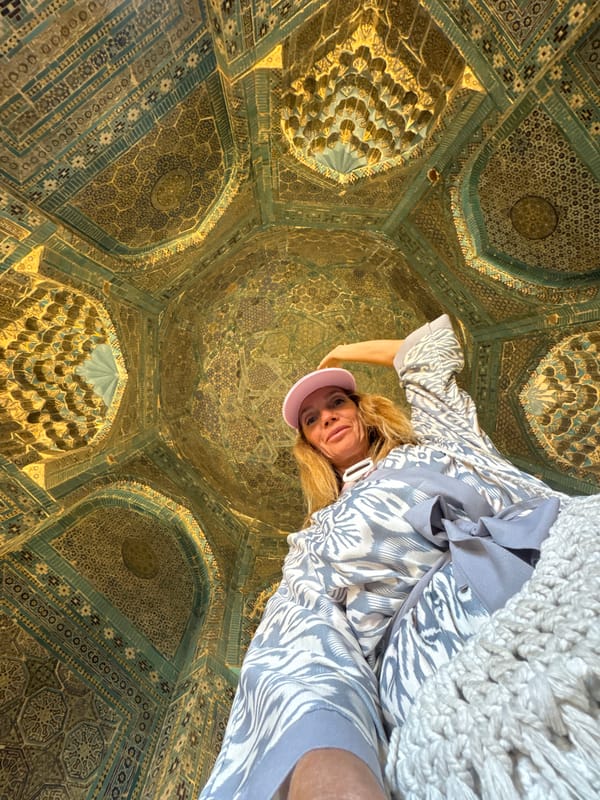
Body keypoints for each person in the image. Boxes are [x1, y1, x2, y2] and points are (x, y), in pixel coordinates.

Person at [199, 314, 566, 800]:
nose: (327, 417)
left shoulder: (439, 443)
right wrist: (324, 755)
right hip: (434, 665)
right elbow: (301, 629)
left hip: (545, 561)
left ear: (362, 410)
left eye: (337, 402)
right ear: (310, 447)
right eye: (312, 419)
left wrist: (342, 351)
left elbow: (424, 354)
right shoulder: (317, 535)